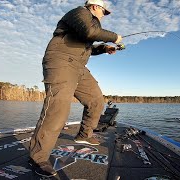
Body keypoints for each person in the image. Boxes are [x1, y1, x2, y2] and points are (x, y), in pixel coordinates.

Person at [28, 0, 122, 177]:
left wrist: (104, 48)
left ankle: (84, 134)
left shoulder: (90, 23)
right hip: (61, 61)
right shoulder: (79, 13)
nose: (105, 15)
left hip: (78, 66)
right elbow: (89, 32)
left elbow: (88, 46)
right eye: (104, 11)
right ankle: (37, 157)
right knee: (58, 108)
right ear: (95, 7)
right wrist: (115, 37)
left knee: (96, 100)